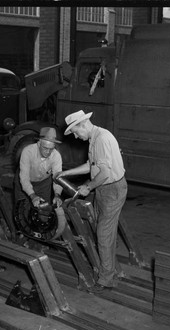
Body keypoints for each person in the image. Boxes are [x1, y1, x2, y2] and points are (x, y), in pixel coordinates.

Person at [56, 110, 127, 294]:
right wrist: (66, 173)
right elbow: (91, 165)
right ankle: (110, 270)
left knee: (103, 234)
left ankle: (106, 280)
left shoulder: (102, 138)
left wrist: (88, 187)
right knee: (102, 231)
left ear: (83, 124)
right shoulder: (94, 139)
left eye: (75, 132)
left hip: (112, 189)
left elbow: (103, 173)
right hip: (104, 189)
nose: (76, 137)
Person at [15, 127, 64, 209]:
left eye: (51, 149)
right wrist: (32, 195)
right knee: (22, 211)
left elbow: (58, 178)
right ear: (39, 143)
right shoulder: (28, 151)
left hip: (44, 184)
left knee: (44, 210)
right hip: (24, 182)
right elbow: (24, 178)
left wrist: (57, 195)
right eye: (45, 148)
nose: (48, 152)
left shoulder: (56, 156)